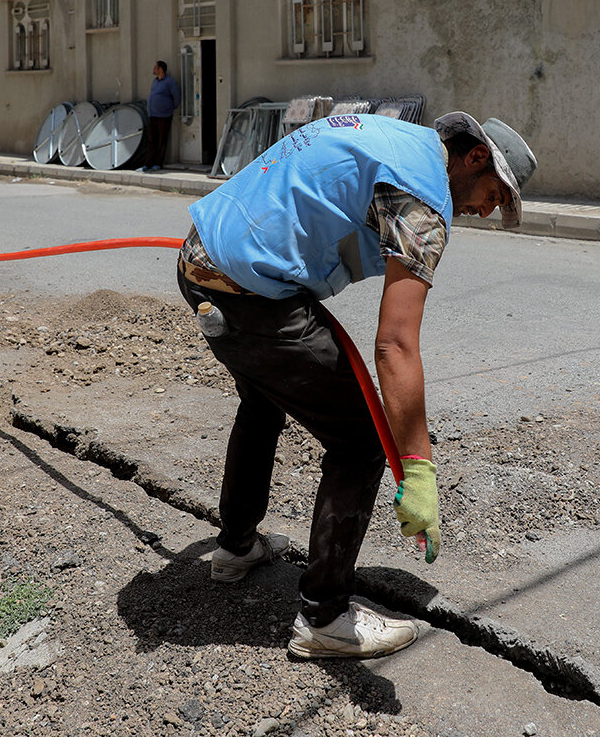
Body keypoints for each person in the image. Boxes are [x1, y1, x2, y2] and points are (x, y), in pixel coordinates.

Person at [178, 110, 536, 659]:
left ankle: (236, 547)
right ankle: (324, 617)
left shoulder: (388, 136)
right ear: (475, 157)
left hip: (200, 257)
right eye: (494, 193)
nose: (488, 210)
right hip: (249, 290)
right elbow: (395, 345)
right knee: (363, 439)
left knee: (263, 399)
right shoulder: (422, 199)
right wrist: (417, 467)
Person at [140, 60, 180, 173]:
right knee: (151, 140)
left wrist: (169, 108)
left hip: (164, 115)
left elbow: (176, 97)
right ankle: (148, 163)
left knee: (161, 140)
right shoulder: (155, 81)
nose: (153, 69)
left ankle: (158, 163)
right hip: (153, 115)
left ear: (160, 69)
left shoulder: (170, 82)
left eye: (155, 67)